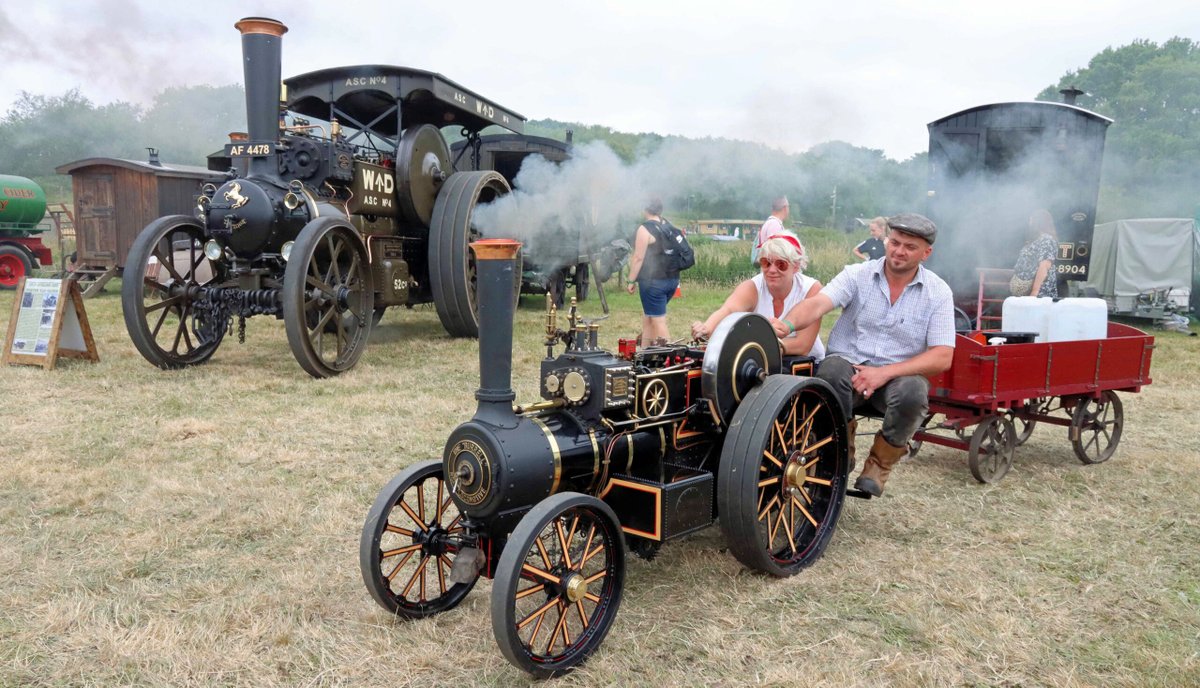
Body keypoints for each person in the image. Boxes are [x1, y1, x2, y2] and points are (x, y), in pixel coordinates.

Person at [774, 213, 955, 497]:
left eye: (910, 246)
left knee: (913, 391)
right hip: (848, 368)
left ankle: (878, 466)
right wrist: (787, 324)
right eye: (895, 242)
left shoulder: (938, 292)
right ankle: (840, 453)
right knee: (830, 370)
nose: (899, 251)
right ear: (886, 240)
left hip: (895, 378)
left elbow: (943, 356)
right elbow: (818, 303)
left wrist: (884, 373)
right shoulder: (857, 274)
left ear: (926, 253)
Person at [691, 234, 826, 359]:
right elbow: (728, 310)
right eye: (766, 263)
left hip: (804, 363)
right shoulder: (752, 286)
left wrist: (757, 348)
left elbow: (803, 345)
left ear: (795, 266)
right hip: (762, 357)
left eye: (781, 264)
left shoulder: (811, 289)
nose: (772, 270)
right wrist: (707, 328)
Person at [626, 198, 679, 346]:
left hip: (653, 282)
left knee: (658, 321)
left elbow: (638, 257)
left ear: (645, 210)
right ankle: (645, 352)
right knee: (649, 317)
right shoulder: (667, 225)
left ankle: (671, 358)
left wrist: (631, 281)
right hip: (672, 280)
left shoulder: (645, 229)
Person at [1011, 209, 1058, 298]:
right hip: (1027, 294)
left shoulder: (1047, 240)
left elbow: (1044, 267)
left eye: (1031, 220)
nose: (1030, 223)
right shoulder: (1036, 240)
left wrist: (1034, 292)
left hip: (1040, 296)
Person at [753, 196, 807, 269]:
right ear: (785, 208)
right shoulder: (774, 224)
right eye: (788, 207)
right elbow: (775, 251)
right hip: (774, 269)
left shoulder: (770, 223)